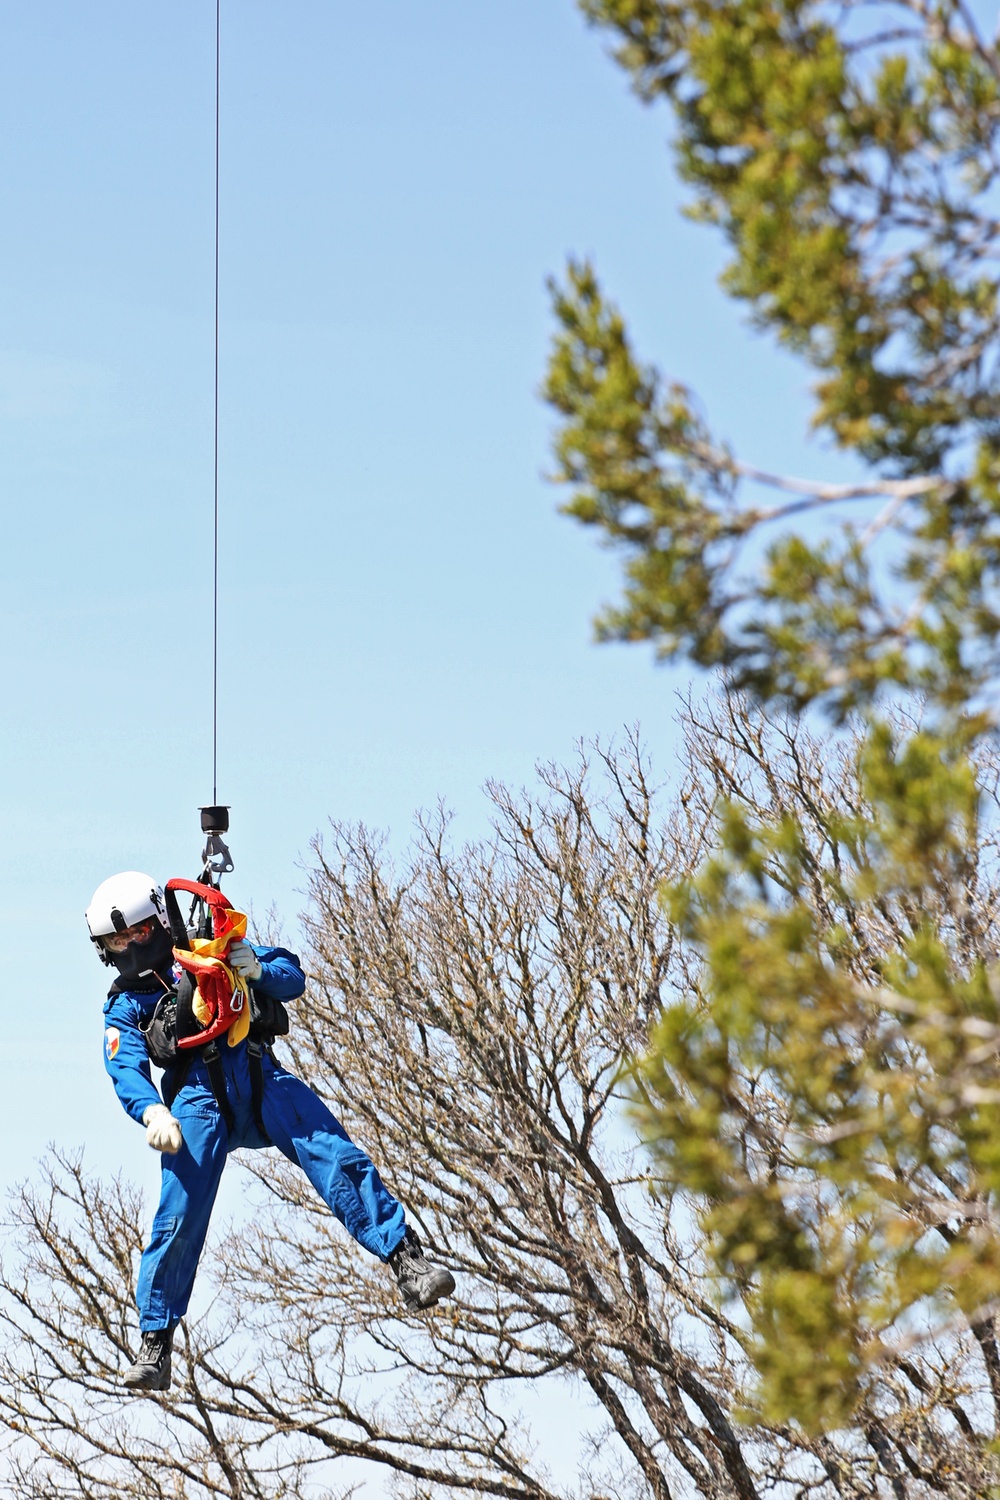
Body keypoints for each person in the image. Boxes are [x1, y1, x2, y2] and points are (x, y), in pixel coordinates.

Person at [87, 869, 455, 1393]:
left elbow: (291, 974)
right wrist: (151, 1112)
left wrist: (255, 968)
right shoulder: (125, 1004)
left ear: (158, 923)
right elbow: (123, 1064)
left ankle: (407, 1262)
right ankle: (155, 1342)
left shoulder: (206, 948)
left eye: (133, 935)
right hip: (196, 1100)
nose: (125, 948)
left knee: (333, 1153)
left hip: (259, 1076)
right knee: (179, 1211)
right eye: (114, 942)